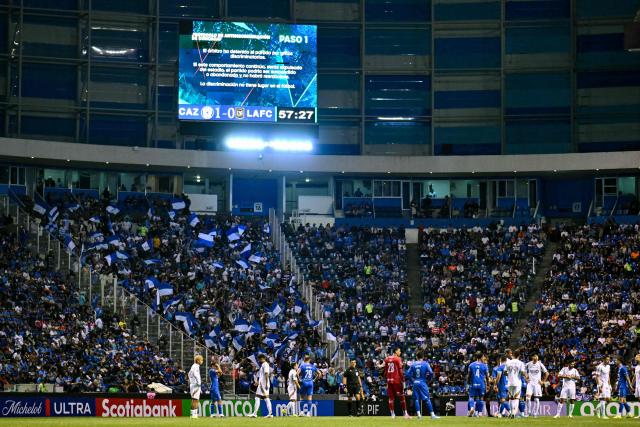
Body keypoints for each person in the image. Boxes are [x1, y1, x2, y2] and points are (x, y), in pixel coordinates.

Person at [406, 351, 439, 420]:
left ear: (416, 357)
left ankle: (419, 415)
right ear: (423, 357)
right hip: (423, 382)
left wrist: (413, 381)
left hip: (416, 383)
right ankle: (432, 415)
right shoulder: (425, 364)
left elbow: (407, 374)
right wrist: (428, 380)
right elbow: (431, 372)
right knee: (427, 399)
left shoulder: (413, 364)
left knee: (416, 399)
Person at [383, 347, 410, 419]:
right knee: (402, 396)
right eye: (399, 351)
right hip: (397, 380)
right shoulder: (398, 359)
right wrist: (403, 380)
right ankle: (405, 414)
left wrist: (387, 378)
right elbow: (400, 371)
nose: (400, 352)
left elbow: (385, 372)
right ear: (395, 351)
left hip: (389, 380)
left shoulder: (386, 359)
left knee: (391, 398)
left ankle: (392, 414)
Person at [504, 348, 526, 418]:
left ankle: (510, 412)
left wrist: (509, 375)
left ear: (513, 355)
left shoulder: (508, 362)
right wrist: (523, 374)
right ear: (519, 356)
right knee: (516, 398)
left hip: (510, 383)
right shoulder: (521, 363)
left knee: (510, 398)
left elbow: (504, 372)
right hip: (517, 383)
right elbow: (522, 373)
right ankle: (513, 413)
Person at [524, 354, 548, 418]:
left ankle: (535, 413)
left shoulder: (540, 364)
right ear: (532, 358)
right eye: (534, 358)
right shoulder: (528, 364)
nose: (536, 360)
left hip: (537, 384)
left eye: (537, 359)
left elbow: (546, 373)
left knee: (536, 399)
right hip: (530, 383)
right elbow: (523, 370)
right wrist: (526, 377)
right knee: (527, 399)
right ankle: (528, 412)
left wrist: (543, 381)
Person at [467, 352, 489, 417]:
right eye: (483, 357)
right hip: (481, 384)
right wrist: (488, 385)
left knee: (471, 397)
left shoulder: (471, 365)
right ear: (481, 357)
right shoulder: (484, 366)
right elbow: (487, 377)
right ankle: (479, 413)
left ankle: (471, 408)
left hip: (473, 383)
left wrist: (468, 383)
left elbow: (469, 376)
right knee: (481, 398)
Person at [635, 354, 640, 419]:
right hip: (637, 385)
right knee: (639, 400)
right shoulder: (636, 367)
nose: (635, 358)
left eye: (637, 357)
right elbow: (634, 376)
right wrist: (631, 384)